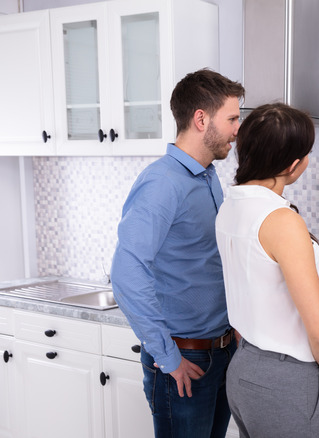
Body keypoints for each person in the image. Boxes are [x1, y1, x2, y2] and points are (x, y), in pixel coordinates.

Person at [111, 68, 245, 438]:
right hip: (185, 358)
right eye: (232, 118)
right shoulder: (162, 183)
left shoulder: (207, 176)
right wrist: (168, 357)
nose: (237, 129)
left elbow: (207, 261)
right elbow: (126, 273)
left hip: (219, 352)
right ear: (201, 119)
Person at [215, 103, 319, 437]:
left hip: (243, 368)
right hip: (285, 380)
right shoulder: (282, 221)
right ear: (293, 165)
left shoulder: (230, 206)